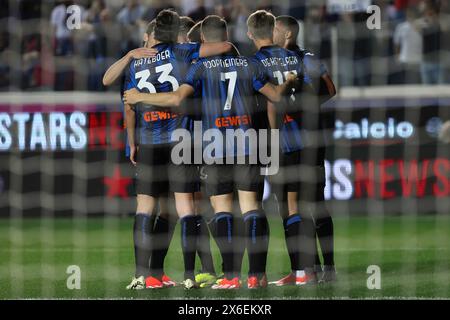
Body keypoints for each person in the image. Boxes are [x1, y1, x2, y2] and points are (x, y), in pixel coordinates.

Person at [124, 15, 297, 289]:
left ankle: (229, 276)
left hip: (214, 145)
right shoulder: (249, 63)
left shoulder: (198, 67)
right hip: (248, 142)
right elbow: (275, 97)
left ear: (203, 40)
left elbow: (177, 98)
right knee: (253, 207)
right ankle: (257, 276)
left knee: (220, 210)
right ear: (226, 35)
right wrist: (288, 83)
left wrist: (137, 97)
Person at [122, 10, 235, 290]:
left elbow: (127, 104)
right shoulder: (183, 53)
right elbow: (225, 46)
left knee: (145, 209)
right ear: (175, 35)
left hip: (148, 141)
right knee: (189, 208)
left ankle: (142, 275)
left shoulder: (137, 62)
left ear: (152, 34)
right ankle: (189, 274)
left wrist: (132, 142)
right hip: (182, 139)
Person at [245, 9, 317, 286]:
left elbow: (270, 103)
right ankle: (302, 271)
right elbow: (310, 95)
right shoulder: (294, 57)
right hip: (301, 139)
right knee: (293, 207)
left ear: (250, 34)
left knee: (269, 207)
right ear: (273, 29)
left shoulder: (253, 64)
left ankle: (263, 274)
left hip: (275, 144)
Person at [273, 15, 337, 283]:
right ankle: (303, 268)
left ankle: (328, 268)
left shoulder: (305, 57)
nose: (272, 34)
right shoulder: (269, 59)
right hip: (283, 144)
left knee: (313, 205)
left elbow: (330, 89)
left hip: (307, 143)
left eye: (275, 30)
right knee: (289, 209)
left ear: (287, 34)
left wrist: (302, 104)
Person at [393, 7, 422, 84]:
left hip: (418, 61)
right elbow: (397, 43)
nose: (410, 16)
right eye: (409, 14)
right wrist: (397, 56)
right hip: (404, 60)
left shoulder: (421, 26)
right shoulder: (401, 27)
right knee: (405, 85)